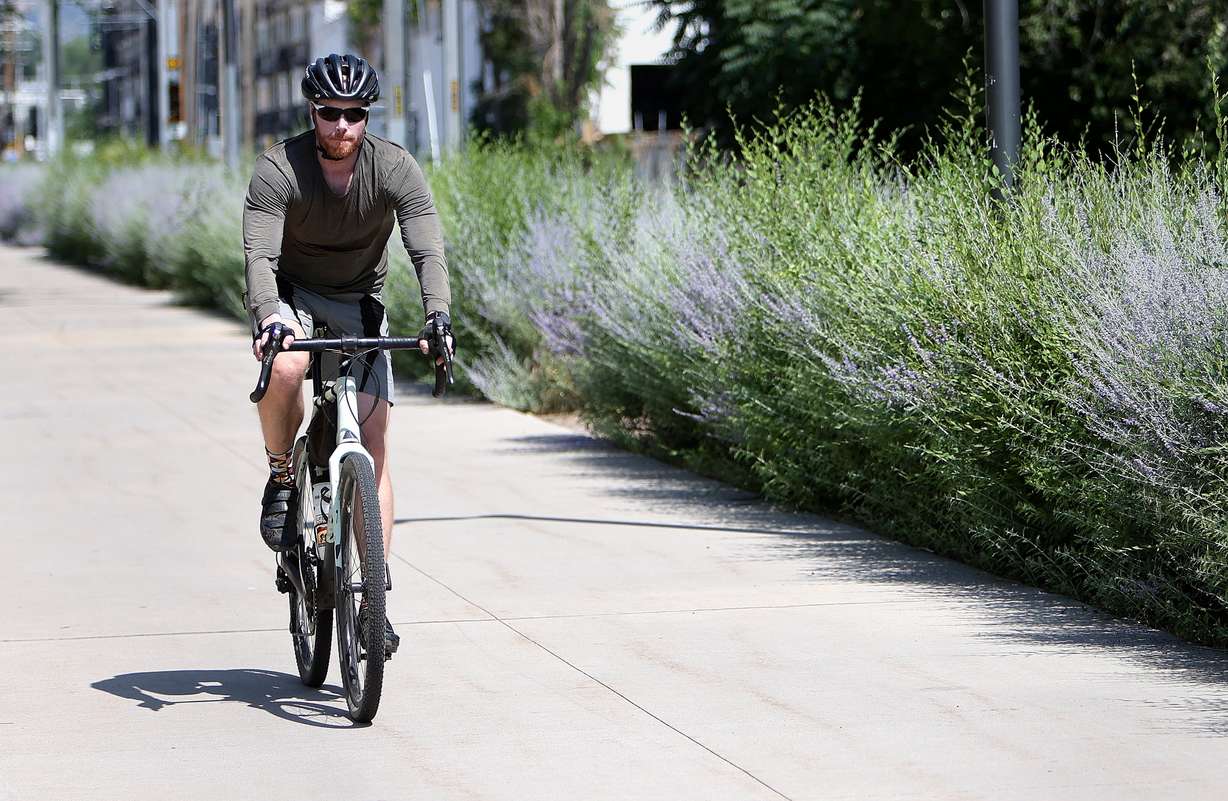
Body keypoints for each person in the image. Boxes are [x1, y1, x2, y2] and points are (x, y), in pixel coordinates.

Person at [243, 53, 454, 655]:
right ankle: (284, 473)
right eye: (330, 114)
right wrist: (268, 319)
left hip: (360, 301)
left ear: (367, 115)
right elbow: (259, 258)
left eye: (355, 114)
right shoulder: (278, 167)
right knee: (286, 365)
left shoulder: (395, 168)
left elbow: (427, 253)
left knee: (375, 448)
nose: (342, 126)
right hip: (293, 296)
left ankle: (372, 598)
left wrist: (438, 317)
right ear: (313, 112)